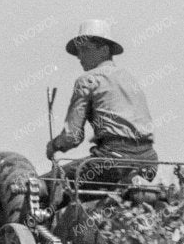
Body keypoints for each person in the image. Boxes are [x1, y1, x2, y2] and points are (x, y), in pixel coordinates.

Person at [47, 21, 157, 185]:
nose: (79, 56)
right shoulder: (129, 78)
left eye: (85, 49)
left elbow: (73, 137)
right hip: (149, 162)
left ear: (104, 50)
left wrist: (54, 145)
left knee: (44, 184)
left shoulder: (88, 80)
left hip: (113, 160)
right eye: (78, 51)